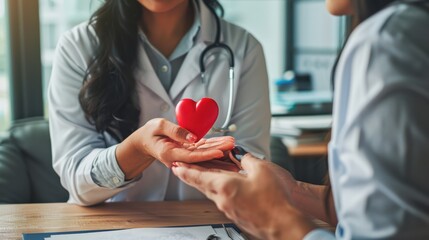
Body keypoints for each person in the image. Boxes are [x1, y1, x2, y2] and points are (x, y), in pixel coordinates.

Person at [173, 0, 429, 239]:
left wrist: (278, 222)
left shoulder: (386, 41)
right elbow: (386, 207)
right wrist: (291, 190)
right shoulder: (408, 30)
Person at [48, 0, 271, 206]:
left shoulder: (244, 48)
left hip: (210, 225)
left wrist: (225, 165)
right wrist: (137, 150)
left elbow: (254, 168)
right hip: (113, 227)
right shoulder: (77, 47)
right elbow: (76, 179)